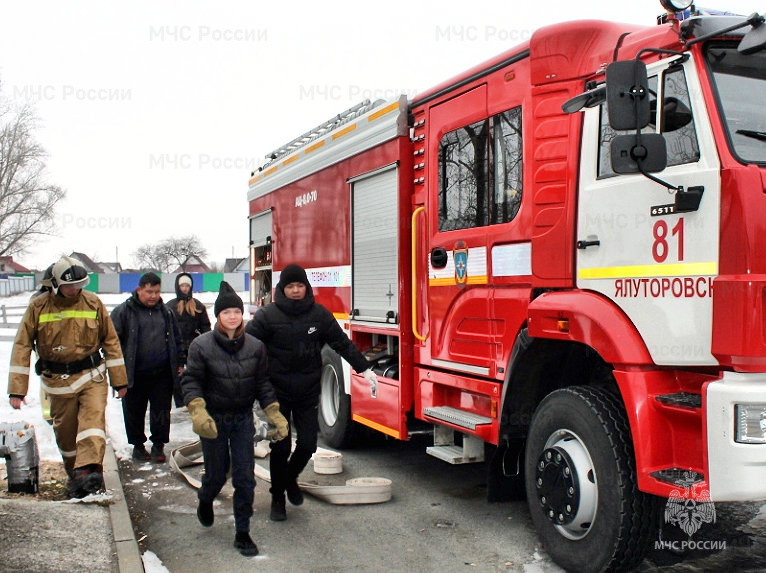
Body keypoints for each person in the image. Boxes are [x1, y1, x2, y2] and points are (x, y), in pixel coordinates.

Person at [246, 264, 378, 521]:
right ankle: (277, 498)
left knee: (308, 444)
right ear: (282, 289)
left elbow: (341, 343)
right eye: (290, 286)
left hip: (307, 391)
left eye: (299, 286)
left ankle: (290, 478)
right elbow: (246, 345)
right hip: (277, 393)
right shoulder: (267, 316)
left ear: (306, 287)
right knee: (281, 447)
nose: (295, 290)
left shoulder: (318, 314)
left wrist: (365, 369)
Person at [181, 281, 288, 556]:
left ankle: (243, 533)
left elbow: (263, 383)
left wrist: (274, 413)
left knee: (244, 478)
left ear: (243, 315)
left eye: (236, 312)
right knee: (216, 475)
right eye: (226, 312)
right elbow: (191, 380)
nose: (232, 317)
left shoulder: (255, 347)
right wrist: (197, 410)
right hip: (213, 420)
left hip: (241, 419)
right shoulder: (200, 346)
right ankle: (205, 498)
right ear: (218, 316)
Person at [8, 255, 128, 498]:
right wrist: (17, 390)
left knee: (92, 424)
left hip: (91, 376)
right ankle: (77, 476)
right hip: (57, 381)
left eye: (80, 285)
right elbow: (21, 346)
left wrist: (119, 380)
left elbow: (111, 342)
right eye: (71, 285)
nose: (76, 290)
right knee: (67, 434)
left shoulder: (93, 303)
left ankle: (89, 472)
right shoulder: (38, 307)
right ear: (55, 284)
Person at [111, 272, 183, 463]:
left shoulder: (166, 312)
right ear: (139, 290)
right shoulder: (123, 312)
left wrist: (180, 362)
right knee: (134, 411)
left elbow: (177, 339)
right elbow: (112, 342)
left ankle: (158, 445)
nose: (153, 296)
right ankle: (138, 446)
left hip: (161, 374)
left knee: (161, 412)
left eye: (157, 292)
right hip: (134, 374)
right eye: (149, 291)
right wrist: (116, 373)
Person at [166, 273, 211, 407]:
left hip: (194, 347)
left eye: (187, 286)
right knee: (177, 377)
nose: (185, 288)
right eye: (182, 285)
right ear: (177, 287)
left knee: (195, 375)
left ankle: (195, 399)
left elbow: (206, 327)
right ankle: (180, 402)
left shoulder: (198, 306)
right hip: (175, 348)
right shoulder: (169, 307)